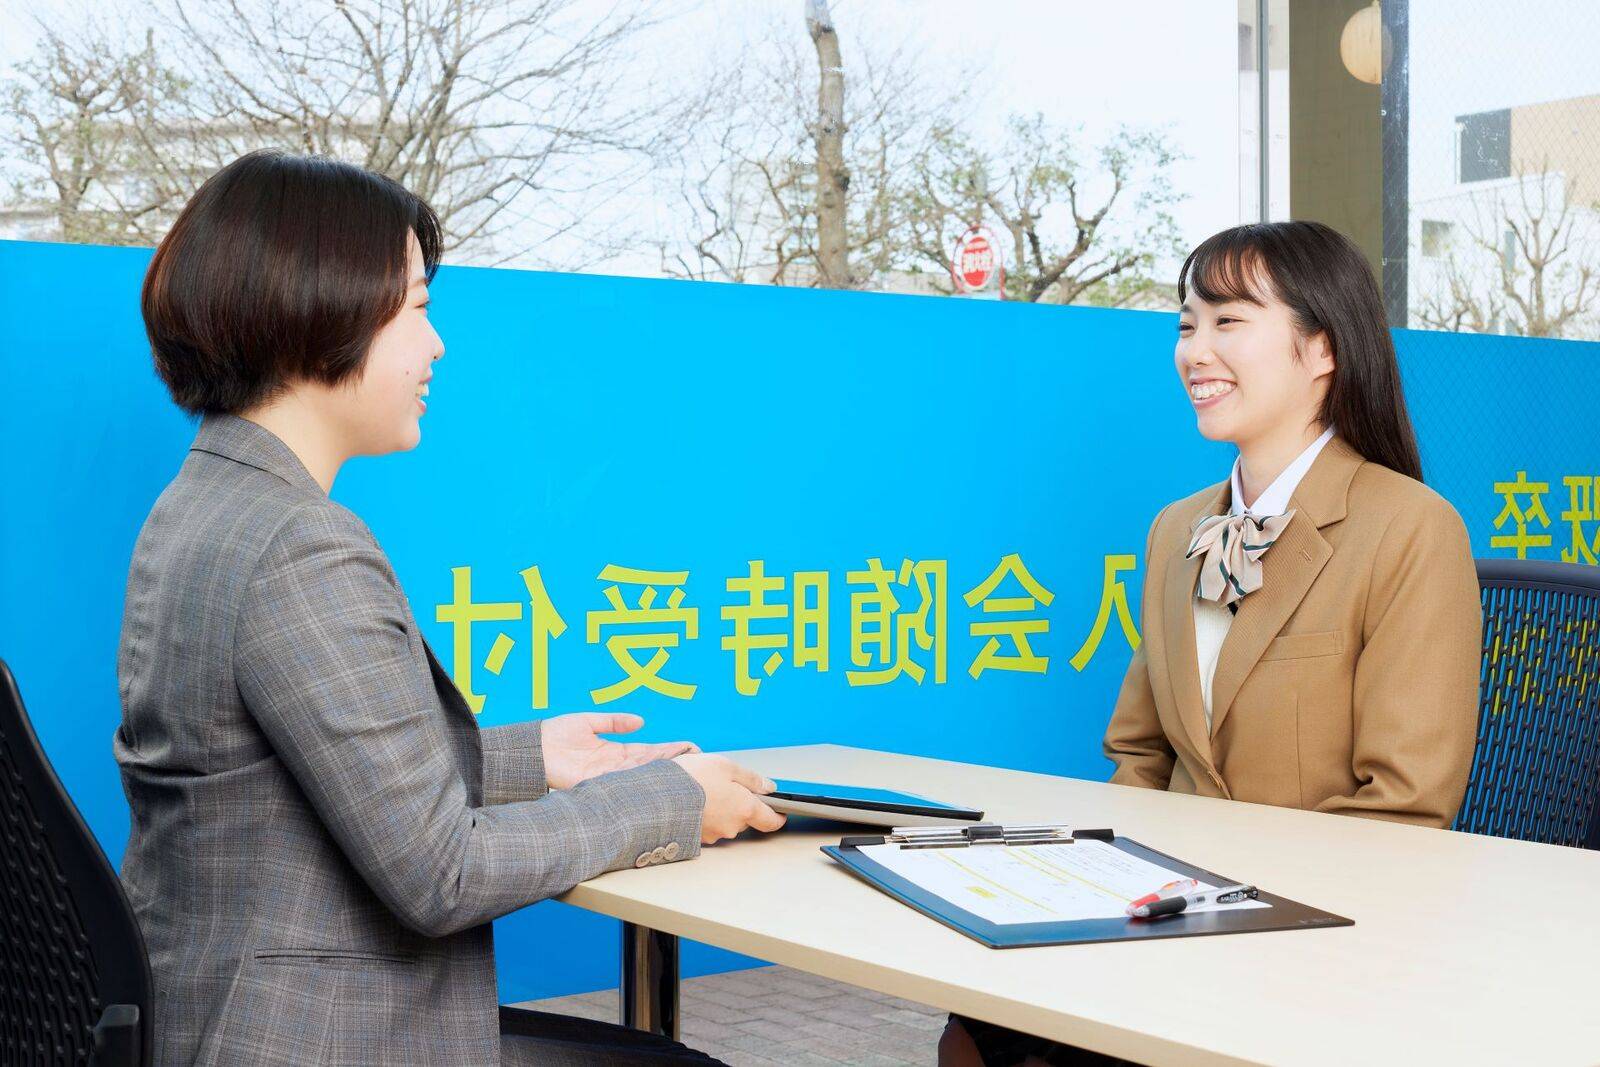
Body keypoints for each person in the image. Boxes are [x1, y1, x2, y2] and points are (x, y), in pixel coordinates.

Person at [114, 149, 785, 1066]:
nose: (436, 346)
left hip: (218, 1010)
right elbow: (442, 872)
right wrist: (670, 798)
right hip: (311, 1035)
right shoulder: (298, 544)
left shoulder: (206, 502)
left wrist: (527, 757)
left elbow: (289, 773)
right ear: (323, 308)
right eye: (418, 309)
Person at [940, 220, 1482, 1067]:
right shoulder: (1178, 528)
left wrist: (1214, 907)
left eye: (1229, 320)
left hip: (1315, 942)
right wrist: (1100, 893)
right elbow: (1141, 753)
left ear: (1322, 347)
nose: (1196, 350)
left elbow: (1403, 808)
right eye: (1187, 324)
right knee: (977, 1023)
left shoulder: (1410, 528)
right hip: (1165, 923)